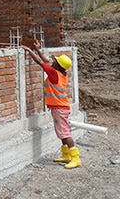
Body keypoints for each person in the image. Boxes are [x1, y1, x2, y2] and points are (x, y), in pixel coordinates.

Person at [22, 39, 81, 169]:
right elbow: (47, 61)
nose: (52, 61)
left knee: (65, 134)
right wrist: (38, 49)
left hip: (60, 109)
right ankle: (66, 155)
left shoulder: (54, 74)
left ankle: (75, 158)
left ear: (58, 66)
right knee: (61, 133)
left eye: (55, 61)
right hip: (59, 108)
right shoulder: (60, 72)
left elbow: (41, 62)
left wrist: (30, 51)